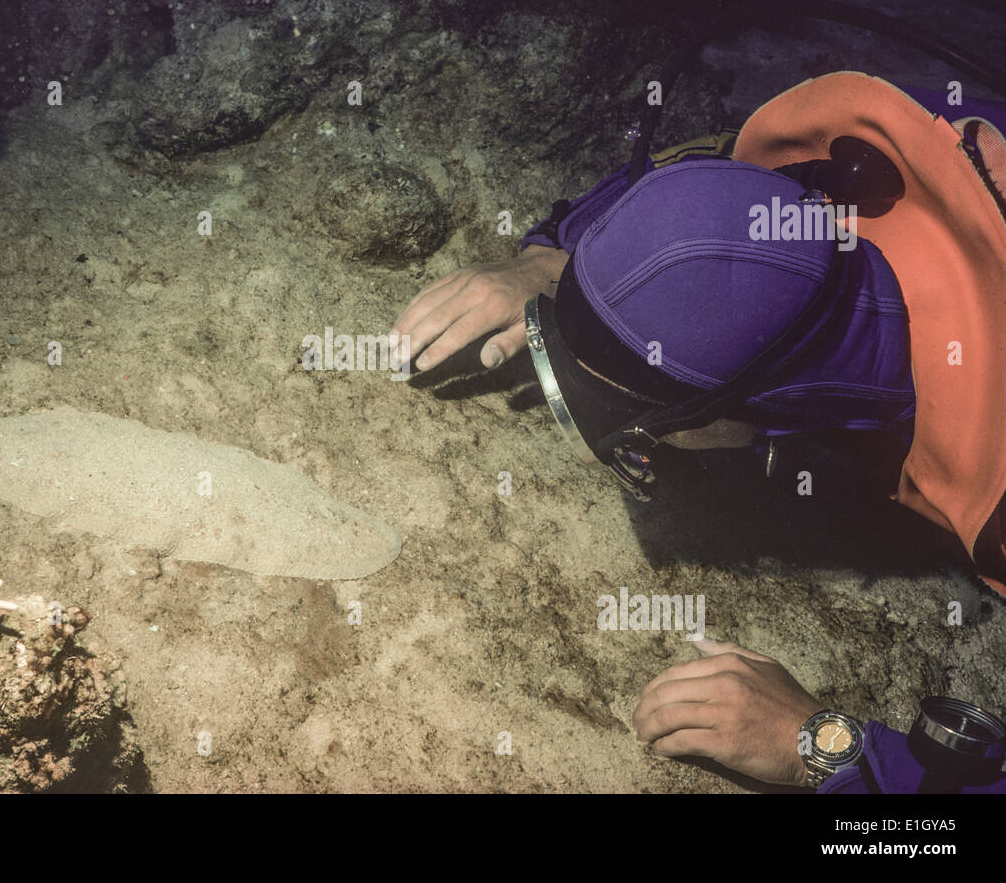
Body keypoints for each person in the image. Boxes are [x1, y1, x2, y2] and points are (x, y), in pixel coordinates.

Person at [391, 72, 1006, 792]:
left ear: (755, 414)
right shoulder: (869, 145)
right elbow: (687, 191)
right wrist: (556, 264)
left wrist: (832, 747)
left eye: (643, 433)